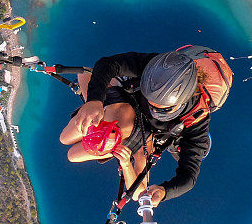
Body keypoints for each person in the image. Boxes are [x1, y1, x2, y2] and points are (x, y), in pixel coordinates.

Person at [62, 48, 219, 207]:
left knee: (71, 147)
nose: (152, 107)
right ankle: (110, 139)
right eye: (150, 98)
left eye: (160, 108)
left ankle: (109, 136)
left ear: (181, 103)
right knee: (71, 150)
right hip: (129, 112)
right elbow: (108, 64)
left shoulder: (197, 120)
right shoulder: (155, 67)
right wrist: (94, 101)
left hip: (136, 124)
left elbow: (189, 175)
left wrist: (166, 191)